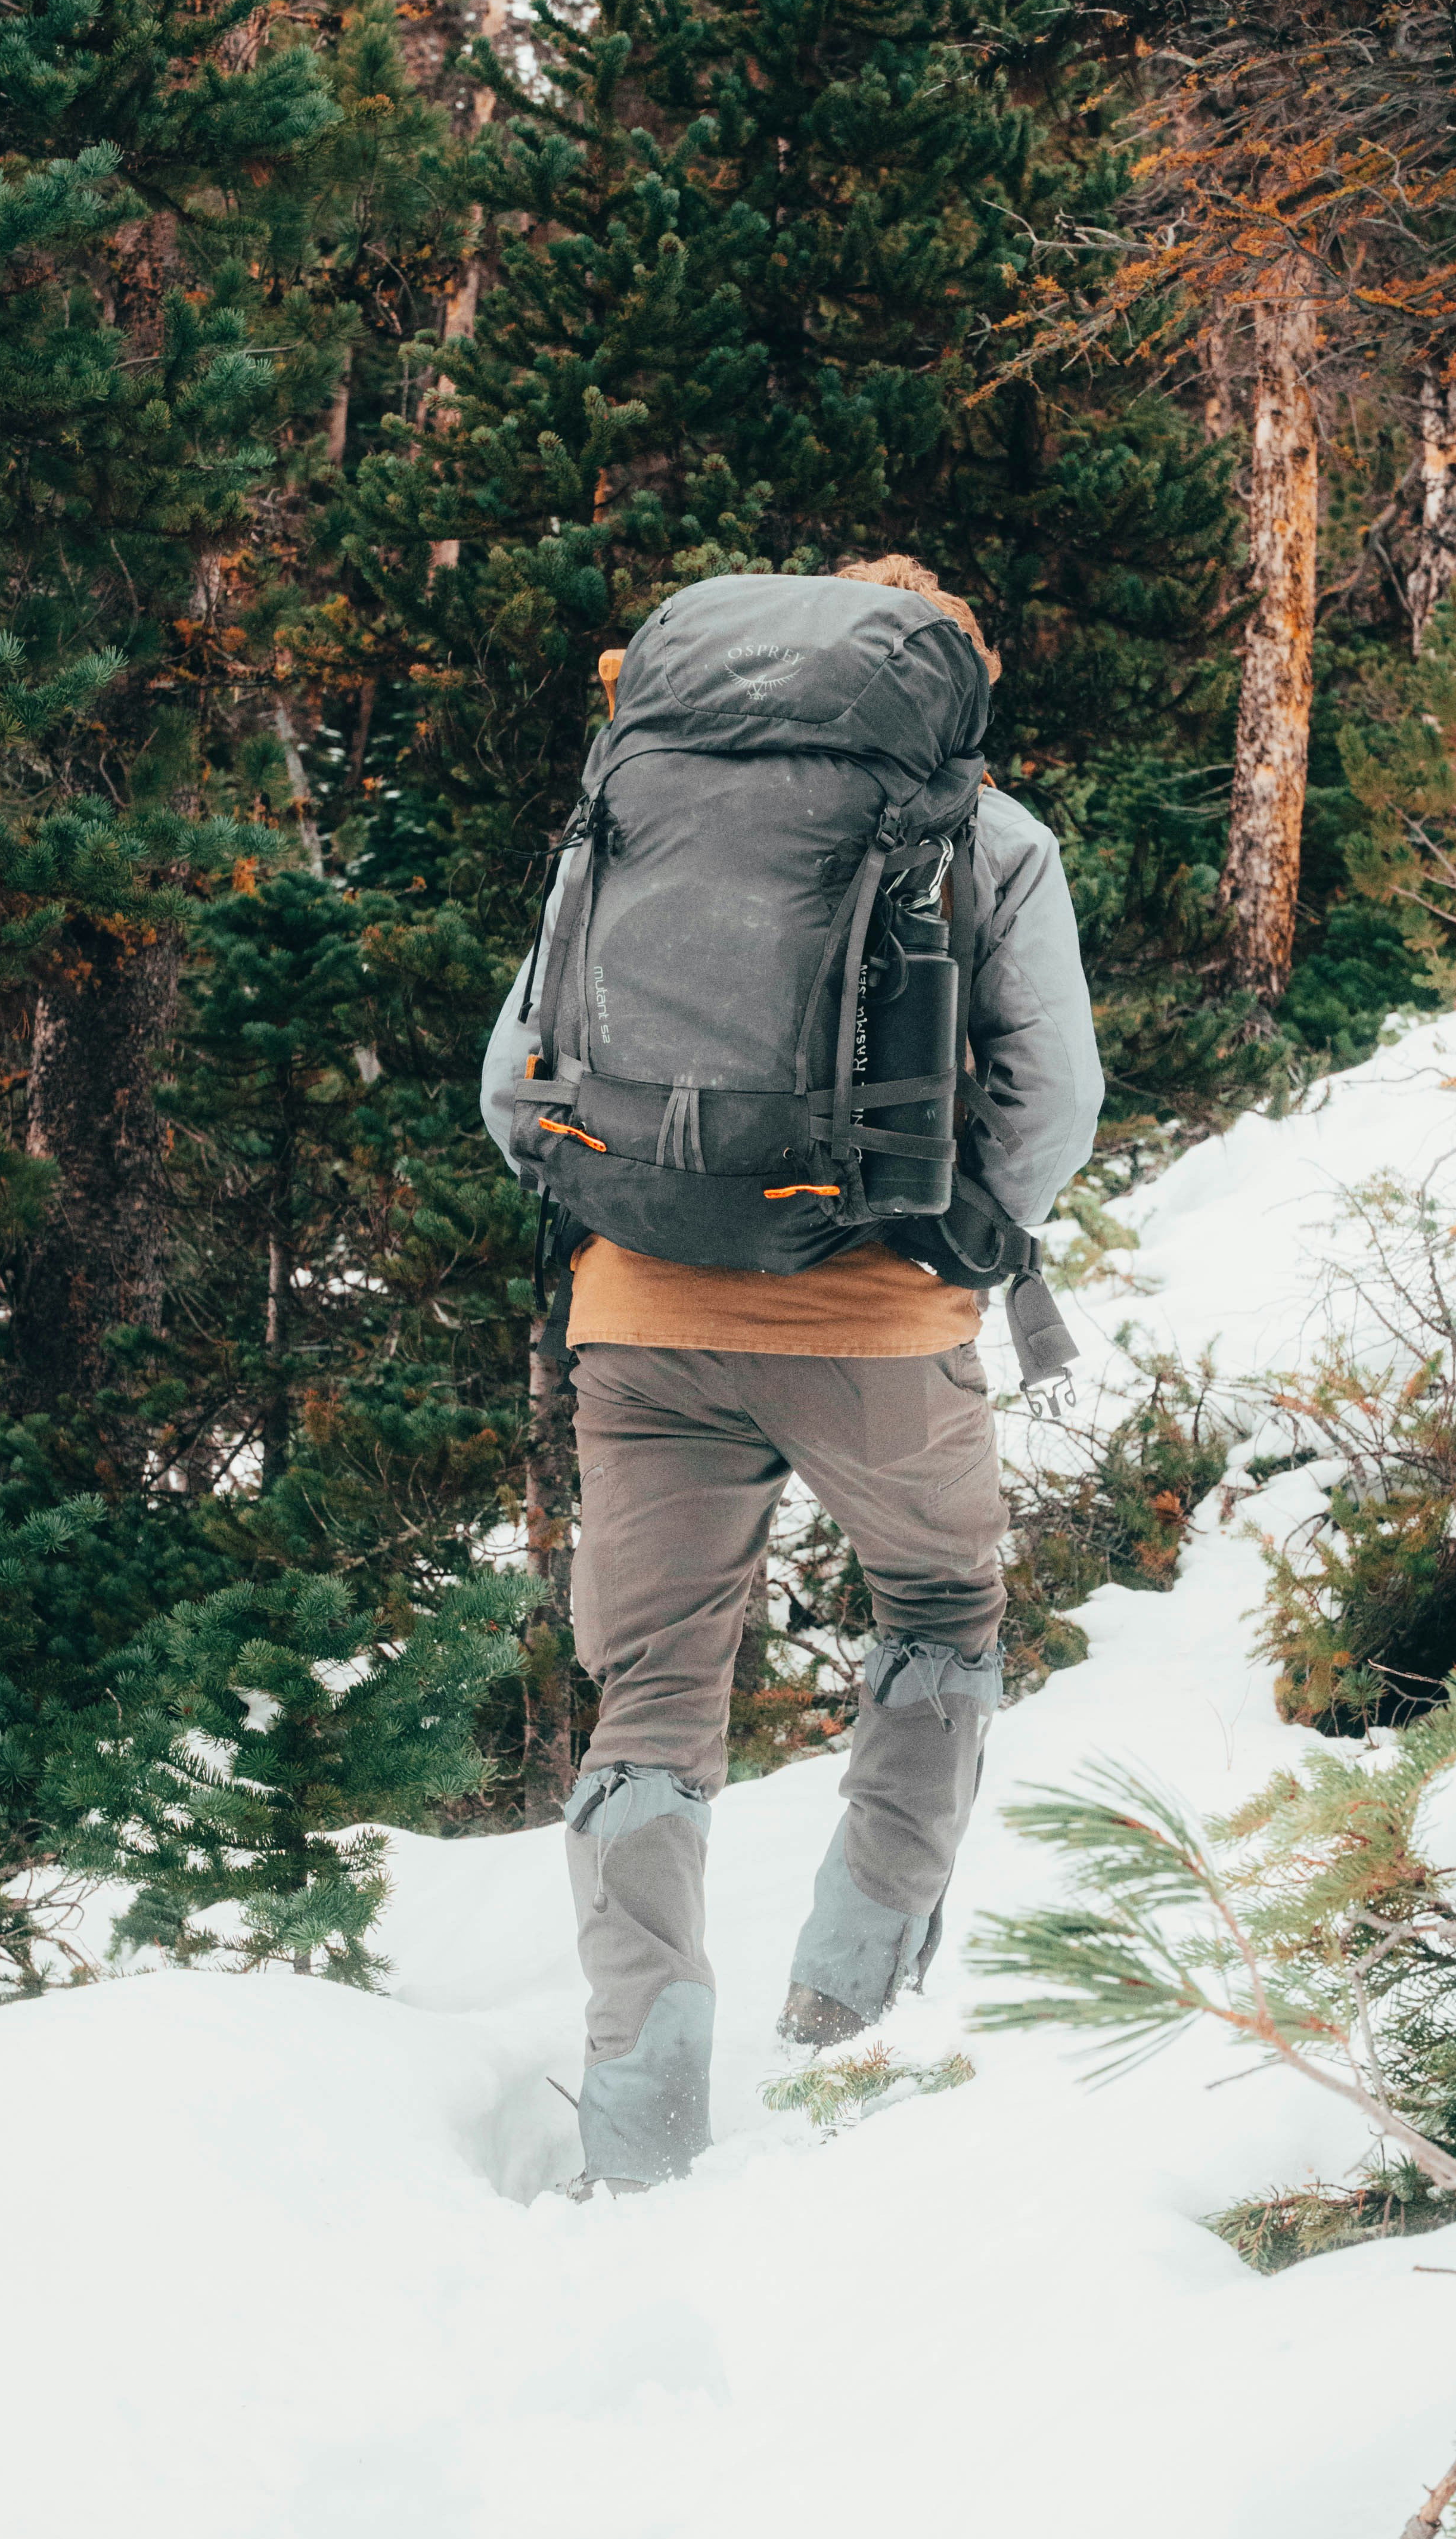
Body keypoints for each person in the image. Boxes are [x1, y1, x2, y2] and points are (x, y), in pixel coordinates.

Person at [479, 556, 1103, 2193]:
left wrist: (644, 1216)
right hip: (876, 1333)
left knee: (656, 1697)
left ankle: (639, 2122)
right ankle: (848, 2026)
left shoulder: (637, 808)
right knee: (942, 1618)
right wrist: (955, 1248)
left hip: (637, 1322)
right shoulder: (990, 837)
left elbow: (510, 1086)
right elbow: (1057, 1105)